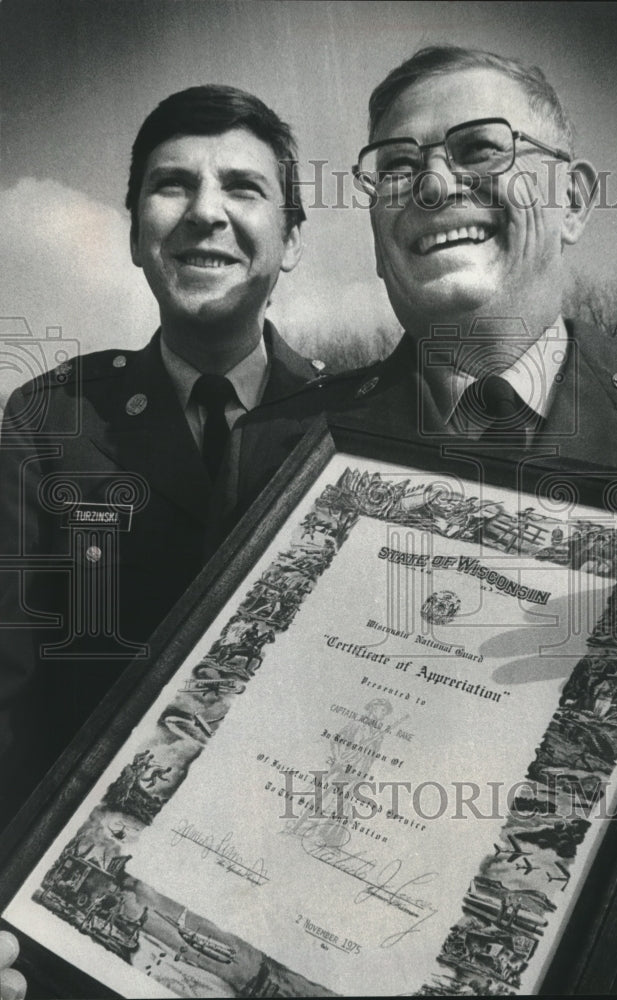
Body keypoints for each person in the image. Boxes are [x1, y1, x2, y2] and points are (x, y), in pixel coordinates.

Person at [227, 46, 617, 991]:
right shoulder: (277, 453)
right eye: (396, 166)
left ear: (572, 200)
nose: (436, 181)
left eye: (482, 148)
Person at [0, 85, 382, 824]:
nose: (206, 212)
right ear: (135, 233)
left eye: (243, 187)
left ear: (293, 239)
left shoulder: (358, 431)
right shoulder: (50, 422)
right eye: (172, 184)